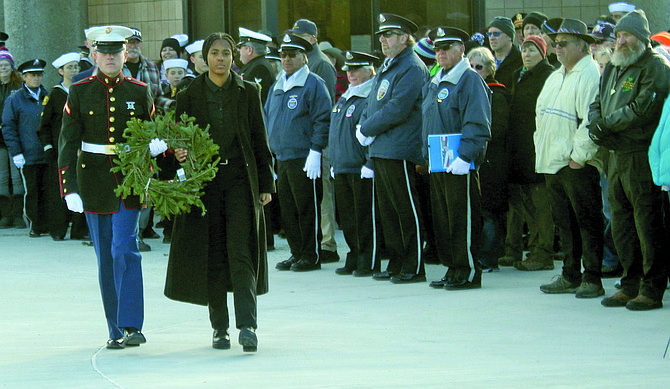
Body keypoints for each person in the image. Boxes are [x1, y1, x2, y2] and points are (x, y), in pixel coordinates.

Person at [164, 32, 274, 352]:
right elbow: (176, 135)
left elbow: (259, 139)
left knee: (241, 251)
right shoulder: (189, 92)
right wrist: (180, 151)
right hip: (205, 183)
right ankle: (220, 327)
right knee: (213, 254)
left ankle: (248, 325)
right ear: (204, 57)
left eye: (226, 53)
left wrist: (266, 184)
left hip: (240, 180)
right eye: (214, 53)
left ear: (234, 57)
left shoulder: (248, 91)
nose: (221, 59)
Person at [58, 25, 155, 349]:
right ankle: (115, 328)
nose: (111, 58)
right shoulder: (80, 90)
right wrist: (69, 186)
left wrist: (157, 154)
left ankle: (132, 325)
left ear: (125, 55)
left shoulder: (139, 90)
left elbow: (153, 132)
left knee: (123, 249)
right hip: (94, 182)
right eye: (105, 53)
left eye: (117, 52)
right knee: (105, 257)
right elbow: (68, 141)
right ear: (95, 55)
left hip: (129, 180)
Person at [590, 10, 670, 310]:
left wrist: (606, 125)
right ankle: (630, 281)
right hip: (614, 154)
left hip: (640, 155)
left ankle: (652, 287)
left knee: (647, 223)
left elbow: (643, 109)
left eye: (627, 36)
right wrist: (597, 123)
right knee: (621, 223)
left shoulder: (656, 65)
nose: (621, 41)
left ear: (642, 38)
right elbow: (597, 101)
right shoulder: (614, 65)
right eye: (619, 35)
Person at [534, 18, 605, 298]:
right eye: (555, 43)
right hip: (554, 162)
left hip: (576, 163)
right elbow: (540, 117)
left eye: (563, 43)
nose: (556, 47)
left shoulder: (590, 75)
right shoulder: (556, 75)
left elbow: (590, 120)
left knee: (587, 222)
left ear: (582, 45)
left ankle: (593, 277)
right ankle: (570, 274)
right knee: (566, 224)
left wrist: (579, 157)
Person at [357, 13, 429, 283]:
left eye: (389, 35)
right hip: (383, 147)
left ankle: (414, 265)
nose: (383, 40)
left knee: (405, 209)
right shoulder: (390, 65)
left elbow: (398, 108)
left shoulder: (411, 66)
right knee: (389, 211)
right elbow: (372, 104)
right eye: (381, 36)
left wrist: (366, 129)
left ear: (404, 37)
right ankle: (398, 261)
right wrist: (364, 125)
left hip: (400, 148)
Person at [422, 27, 491, 290]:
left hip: (459, 161)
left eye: (447, 47)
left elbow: (477, 121)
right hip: (438, 159)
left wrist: (466, 155)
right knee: (444, 219)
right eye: (437, 48)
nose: (441, 53)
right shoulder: (436, 79)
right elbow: (427, 121)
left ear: (461, 49)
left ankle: (469, 271)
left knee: (463, 218)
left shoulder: (469, 79)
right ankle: (453, 267)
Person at [265, 34, 331, 272]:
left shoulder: (313, 83)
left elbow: (323, 119)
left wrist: (316, 150)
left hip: (305, 157)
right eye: (283, 55)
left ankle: (311, 255)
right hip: (282, 157)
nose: (287, 59)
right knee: (289, 210)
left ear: (304, 57)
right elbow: (268, 118)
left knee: (306, 208)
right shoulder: (278, 84)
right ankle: (296, 253)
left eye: (292, 54)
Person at [289, 18, 340, 264]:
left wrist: (317, 147)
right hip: (300, 144)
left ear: (312, 39)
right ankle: (311, 244)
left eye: (300, 37)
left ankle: (327, 243)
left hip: (318, 143)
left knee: (323, 194)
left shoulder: (321, 65)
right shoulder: (294, 64)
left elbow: (324, 109)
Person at [504, 36, 556, 271]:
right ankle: (521, 250)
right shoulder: (518, 75)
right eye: (524, 50)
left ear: (543, 53)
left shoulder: (548, 76)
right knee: (524, 205)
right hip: (519, 148)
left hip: (537, 148)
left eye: (532, 50)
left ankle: (542, 253)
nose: (527, 55)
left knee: (541, 206)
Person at [330, 51, 380, 276]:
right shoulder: (346, 97)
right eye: (348, 70)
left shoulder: (371, 97)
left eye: (356, 69)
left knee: (364, 218)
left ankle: (368, 259)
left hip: (360, 167)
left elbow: (373, 134)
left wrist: (370, 162)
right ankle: (354, 254)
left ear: (370, 71)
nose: (351, 74)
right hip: (342, 165)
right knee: (348, 219)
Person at [466, 46, 510, 273]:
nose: (474, 70)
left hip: (492, 161)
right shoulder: (467, 91)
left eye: (479, 67)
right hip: (473, 160)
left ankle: (489, 257)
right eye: (470, 66)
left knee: (491, 212)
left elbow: (498, 129)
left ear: (489, 69)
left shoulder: (497, 94)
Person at [37, 52, 88, 241]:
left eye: (76, 67)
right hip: (60, 150)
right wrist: (48, 147)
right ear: (61, 71)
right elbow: (44, 126)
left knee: (80, 187)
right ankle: (57, 229)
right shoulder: (55, 94)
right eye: (70, 67)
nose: (74, 70)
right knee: (58, 189)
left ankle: (79, 230)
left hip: (81, 149)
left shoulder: (82, 91)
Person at [2, 59, 49, 237]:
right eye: (33, 75)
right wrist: (16, 152)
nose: (37, 78)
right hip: (28, 153)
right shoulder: (15, 99)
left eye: (40, 75)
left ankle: (47, 223)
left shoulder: (48, 95)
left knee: (47, 190)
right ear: (24, 77)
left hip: (46, 151)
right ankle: (35, 225)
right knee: (32, 192)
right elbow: (8, 126)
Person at [0, 46, 24, 229]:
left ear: (12, 67)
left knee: (17, 178)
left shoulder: (19, 87)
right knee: (2, 178)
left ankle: (18, 215)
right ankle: (5, 215)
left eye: (6, 64)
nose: (3, 68)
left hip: (15, 138)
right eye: (0, 65)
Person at [236, 27, 275, 104]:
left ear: (249, 50)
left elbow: (256, 100)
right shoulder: (255, 65)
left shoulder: (260, 68)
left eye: (240, 47)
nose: (238, 50)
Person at [486, 16, 523, 88]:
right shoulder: (485, 60)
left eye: (496, 34)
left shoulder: (521, 61)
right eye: (489, 34)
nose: (492, 38)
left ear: (509, 36)